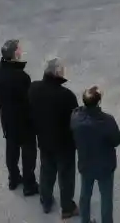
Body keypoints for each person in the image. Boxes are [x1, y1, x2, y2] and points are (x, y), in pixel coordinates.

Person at [30, 57, 79, 219]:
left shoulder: (33, 88)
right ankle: (67, 207)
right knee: (66, 176)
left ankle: (45, 200)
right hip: (64, 144)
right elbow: (75, 121)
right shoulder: (67, 96)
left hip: (44, 140)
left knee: (46, 171)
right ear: (57, 73)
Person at [0, 40, 37, 195]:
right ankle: (29, 184)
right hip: (23, 120)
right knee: (28, 152)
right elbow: (27, 98)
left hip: (7, 118)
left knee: (11, 148)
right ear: (15, 54)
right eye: (19, 49)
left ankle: (14, 178)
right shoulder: (21, 77)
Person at [71, 86, 120, 223]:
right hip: (105, 166)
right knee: (106, 198)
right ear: (99, 103)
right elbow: (117, 140)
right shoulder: (107, 121)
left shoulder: (76, 118)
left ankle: (85, 220)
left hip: (86, 164)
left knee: (85, 195)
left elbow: (77, 111)